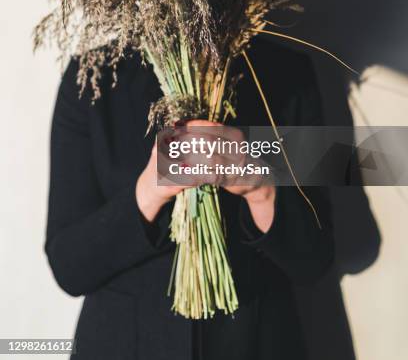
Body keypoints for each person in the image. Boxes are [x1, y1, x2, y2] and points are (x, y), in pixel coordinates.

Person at [45, 36, 338, 360]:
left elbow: (314, 260)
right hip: (125, 345)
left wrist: (259, 187)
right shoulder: (92, 78)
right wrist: (150, 191)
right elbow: (69, 266)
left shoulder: (285, 73)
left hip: (254, 341)